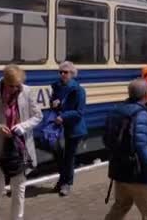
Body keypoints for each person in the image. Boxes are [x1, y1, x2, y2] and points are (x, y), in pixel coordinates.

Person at [0, 65, 42, 220]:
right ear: (4, 82)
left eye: (17, 86)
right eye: (11, 86)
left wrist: (23, 126)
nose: (14, 89)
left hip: (20, 147)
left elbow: (38, 116)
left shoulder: (27, 92)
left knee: (19, 189)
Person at [104, 79, 147, 220]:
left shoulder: (115, 111)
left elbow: (106, 140)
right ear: (146, 95)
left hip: (120, 171)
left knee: (119, 207)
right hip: (139, 174)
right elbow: (141, 146)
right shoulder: (141, 114)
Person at [52, 61, 88, 196]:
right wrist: (54, 104)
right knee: (60, 156)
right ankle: (62, 180)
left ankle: (66, 183)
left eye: (65, 72)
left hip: (74, 129)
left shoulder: (78, 90)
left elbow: (79, 112)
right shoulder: (57, 86)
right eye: (60, 72)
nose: (62, 74)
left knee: (68, 157)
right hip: (58, 127)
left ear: (72, 74)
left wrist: (64, 116)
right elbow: (54, 103)